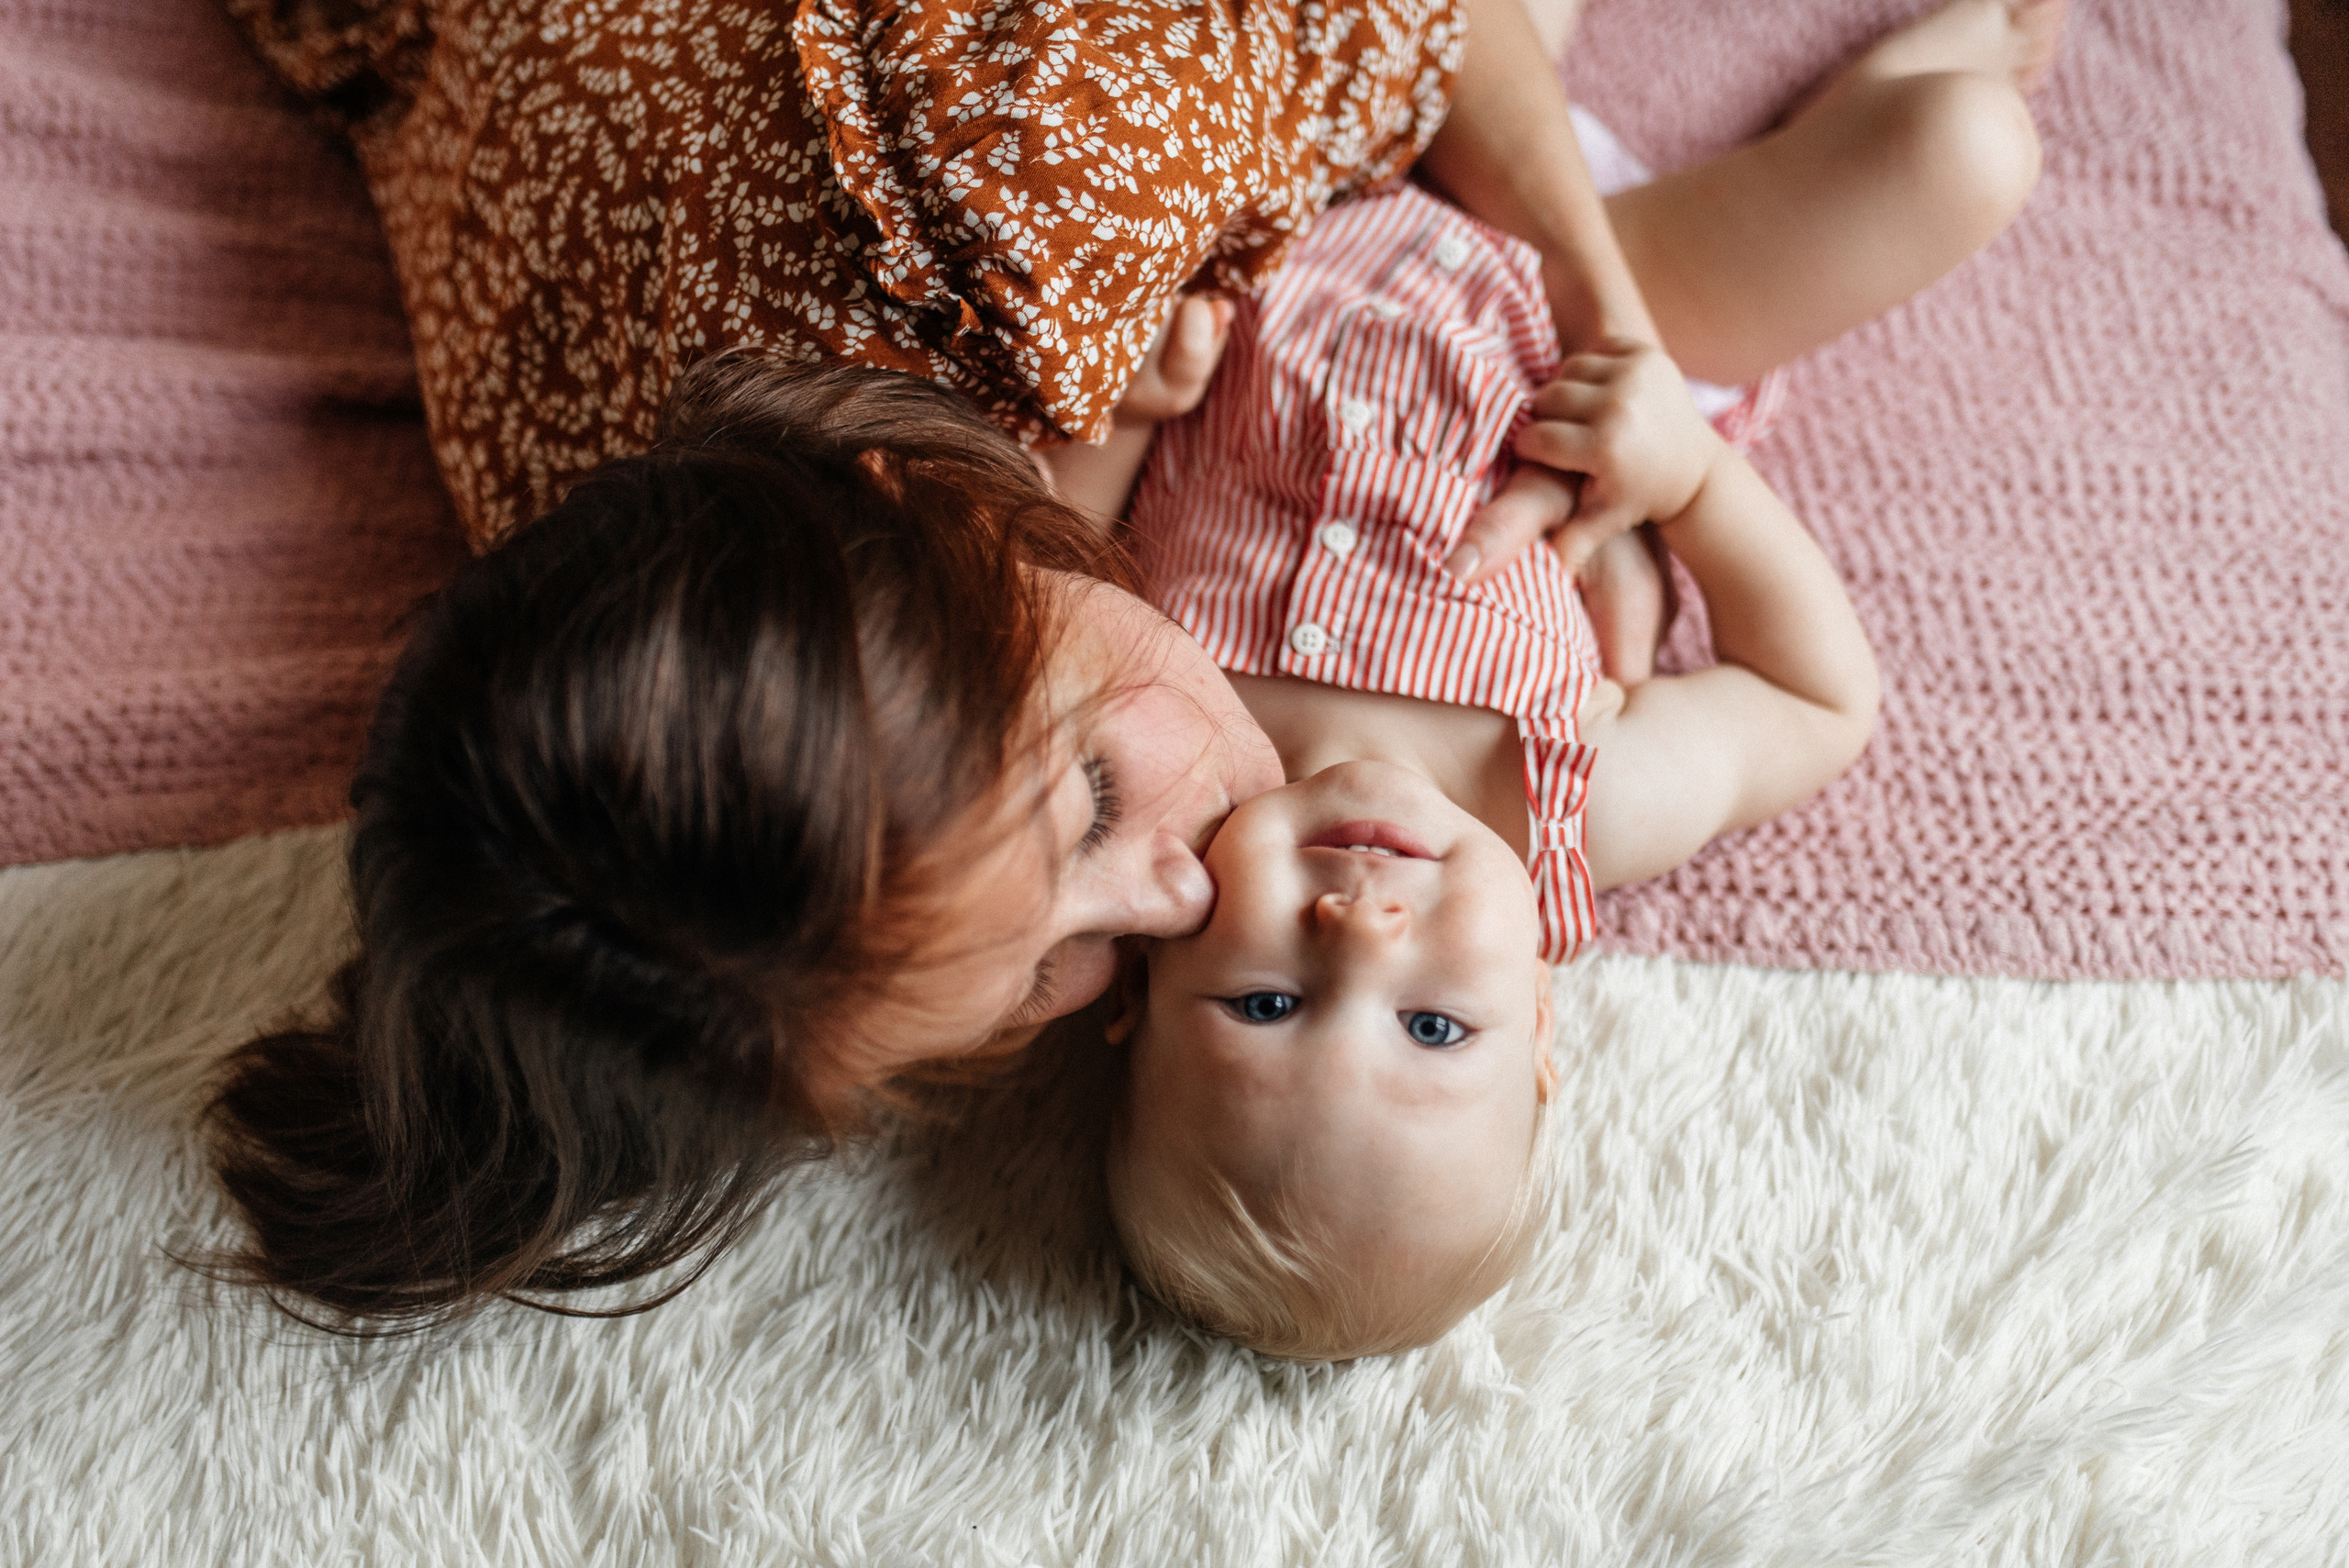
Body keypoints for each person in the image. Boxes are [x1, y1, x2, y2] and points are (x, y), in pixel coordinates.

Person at [205, 0, 1666, 1326]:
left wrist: (1612, 349)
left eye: (1093, 798)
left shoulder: (1053, 173)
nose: (1187, 894)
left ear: (926, 510)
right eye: (1041, 965)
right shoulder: (578, 571)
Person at [1099, 0, 2063, 1360]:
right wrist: (1692, 478)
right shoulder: (1567, 808)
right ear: (1541, 1016)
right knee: (1966, 151)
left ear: (1134, 986)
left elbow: (1061, 542)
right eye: (1437, 1023)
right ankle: (1891, 85)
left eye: (1270, 1003)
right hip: (1587, 345)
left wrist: (1132, 399)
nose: (1364, 930)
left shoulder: (1155, 760)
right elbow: (1815, 702)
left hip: (1305, 209)